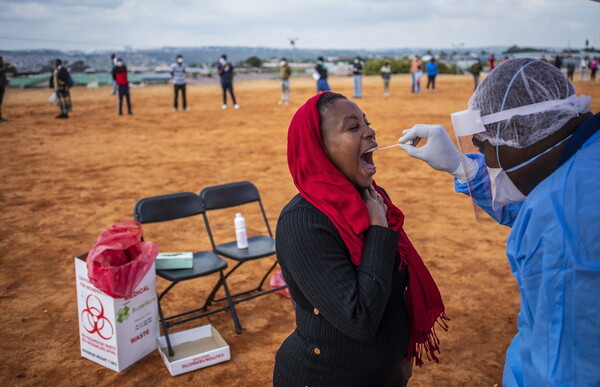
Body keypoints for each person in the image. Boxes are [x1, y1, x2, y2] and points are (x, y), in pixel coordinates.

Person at [398, 58, 600, 386]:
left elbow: (561, 372)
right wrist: (464, 167)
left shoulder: (562, 220)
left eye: (484, 146)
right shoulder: (585, 165)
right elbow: (529, 205)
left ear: (518, 131)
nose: (488, 161)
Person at [273, 91, 448, 386]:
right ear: (320, 149)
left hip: (385, 374)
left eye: (367, 123)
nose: (370, 131)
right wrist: (378, 231)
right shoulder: (303, 222)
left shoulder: (374, 199)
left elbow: (391, 288)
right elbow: (359, 318)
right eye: (353, 127)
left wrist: (399, 358)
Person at [0, 56, 14, 123]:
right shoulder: (2, 68)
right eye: (1, 60)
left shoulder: (1, 67)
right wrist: (7, 68)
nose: (2, 61)